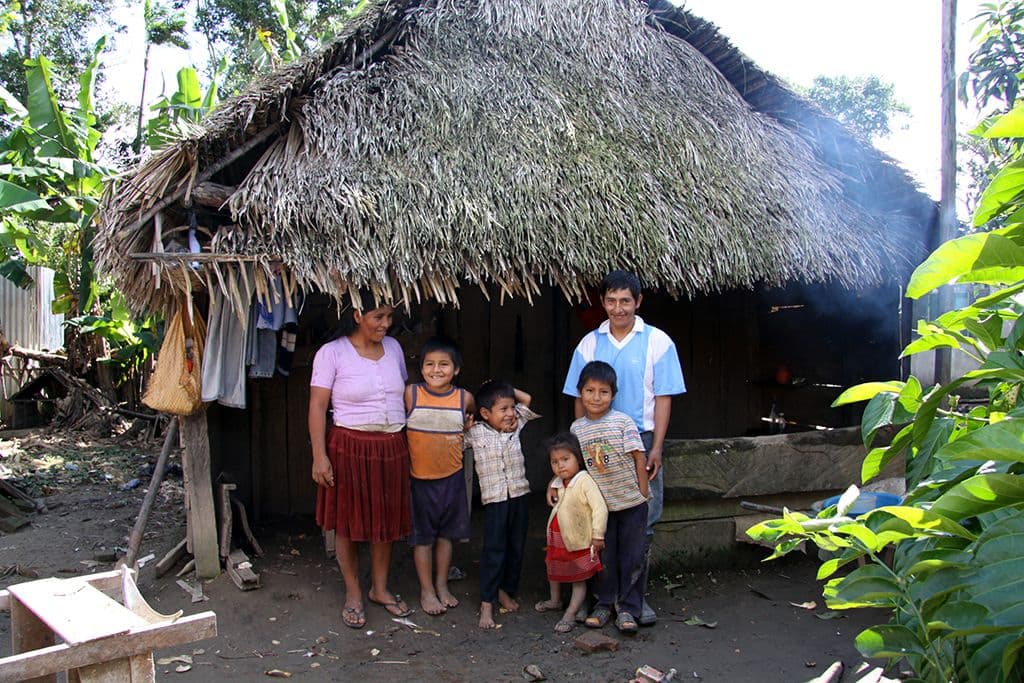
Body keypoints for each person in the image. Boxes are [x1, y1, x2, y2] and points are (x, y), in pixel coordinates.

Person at [561, 270, 685, 626]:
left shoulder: (659, 342)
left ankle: (635, 600)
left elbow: (663, 398)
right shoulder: (589, 344)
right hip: (597, 443)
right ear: (603, 303)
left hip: (640, 442)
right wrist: (582, 443)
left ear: (638, 302)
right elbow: (577, 399)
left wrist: (656, 447)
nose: (618, 309)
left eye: (625, 301)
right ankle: (603, 599)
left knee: (642, 521)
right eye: (612, 301)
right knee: (599, 519)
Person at [308, 295, 412, 629]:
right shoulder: (332, 353)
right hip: (349, 446)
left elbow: (404, 395)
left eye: (388, 317)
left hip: (392, 446)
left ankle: (379, 588)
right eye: (377, 317)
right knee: (348, 523)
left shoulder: (394, 349)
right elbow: (316, 407)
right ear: (357, 315)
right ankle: (353, 592)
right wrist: (319, 456)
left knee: (386, 522)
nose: (385, 324)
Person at [571, 361, 649, 633]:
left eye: (603, 391)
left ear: (613, 394)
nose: (596, 397)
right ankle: (604, 604)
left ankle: (628, 609)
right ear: (580, 393)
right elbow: (576, 467)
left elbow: (639, 456)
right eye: (590, 390)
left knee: (632, 558)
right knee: (603, 559)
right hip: (600, 508)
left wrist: (643, 493)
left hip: (631, 504)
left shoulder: (622, 422)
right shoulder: (577, 429)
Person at [404, 337, 475, 616]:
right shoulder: (410, 394)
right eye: (429, 364)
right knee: (422, 538)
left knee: (446, 536)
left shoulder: (464, 398)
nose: (436, 370)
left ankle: (442, 584)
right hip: (419, 479)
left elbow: (470, 425)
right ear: (421, 369)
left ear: (456, 369)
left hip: (452, 478)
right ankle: (426, 589)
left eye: (444, 365)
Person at [465, 380, 538, 629]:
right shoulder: (474, 432)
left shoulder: (516, 427)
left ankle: (506, 590)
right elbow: (451, 439)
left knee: (516, 546)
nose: (510, 414)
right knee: (494, 549)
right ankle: (487, 601)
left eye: (511, 408)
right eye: (503, 409)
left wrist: (502, 385)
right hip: (495, 500)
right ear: (485, 413)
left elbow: (525, 398)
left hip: (519, 495)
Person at [534, 432, 608, 634]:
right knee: (554, 571)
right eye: (555, 462)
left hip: (578, 541)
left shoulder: (584, 481)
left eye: (565, 459)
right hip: (558, 540)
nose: (560, 466)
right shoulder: (558, 482)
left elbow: (600, 508)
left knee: (578, 578)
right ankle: (555, 600)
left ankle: (570, 613)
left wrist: (598, 535)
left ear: (578, 458)